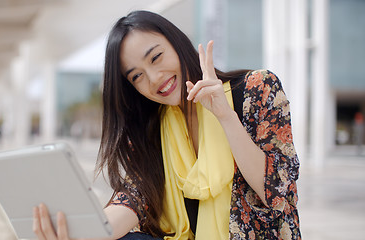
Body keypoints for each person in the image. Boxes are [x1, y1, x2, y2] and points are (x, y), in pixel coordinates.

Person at [33, 10, 301, 240]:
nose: (153, 78)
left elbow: (277, 194)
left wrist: (226, 117)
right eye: (137, 76)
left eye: (156, 57)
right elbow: (133, 199)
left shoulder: (256, 88)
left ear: (176, 42)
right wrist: (82, 230)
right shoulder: (153, 128)